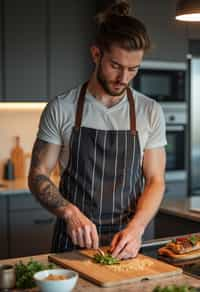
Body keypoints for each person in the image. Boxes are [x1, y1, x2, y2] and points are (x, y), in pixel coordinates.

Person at [28, 0, 166, 260]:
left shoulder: (150, 111)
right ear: (96, 54)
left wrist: (137, 228)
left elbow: (155, 180)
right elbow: (38, 174)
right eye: (116, 66)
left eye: (133, 69)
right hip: (72, 242)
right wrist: (70, 213)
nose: (123, 78)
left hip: (127, 243)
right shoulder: (62, 108)